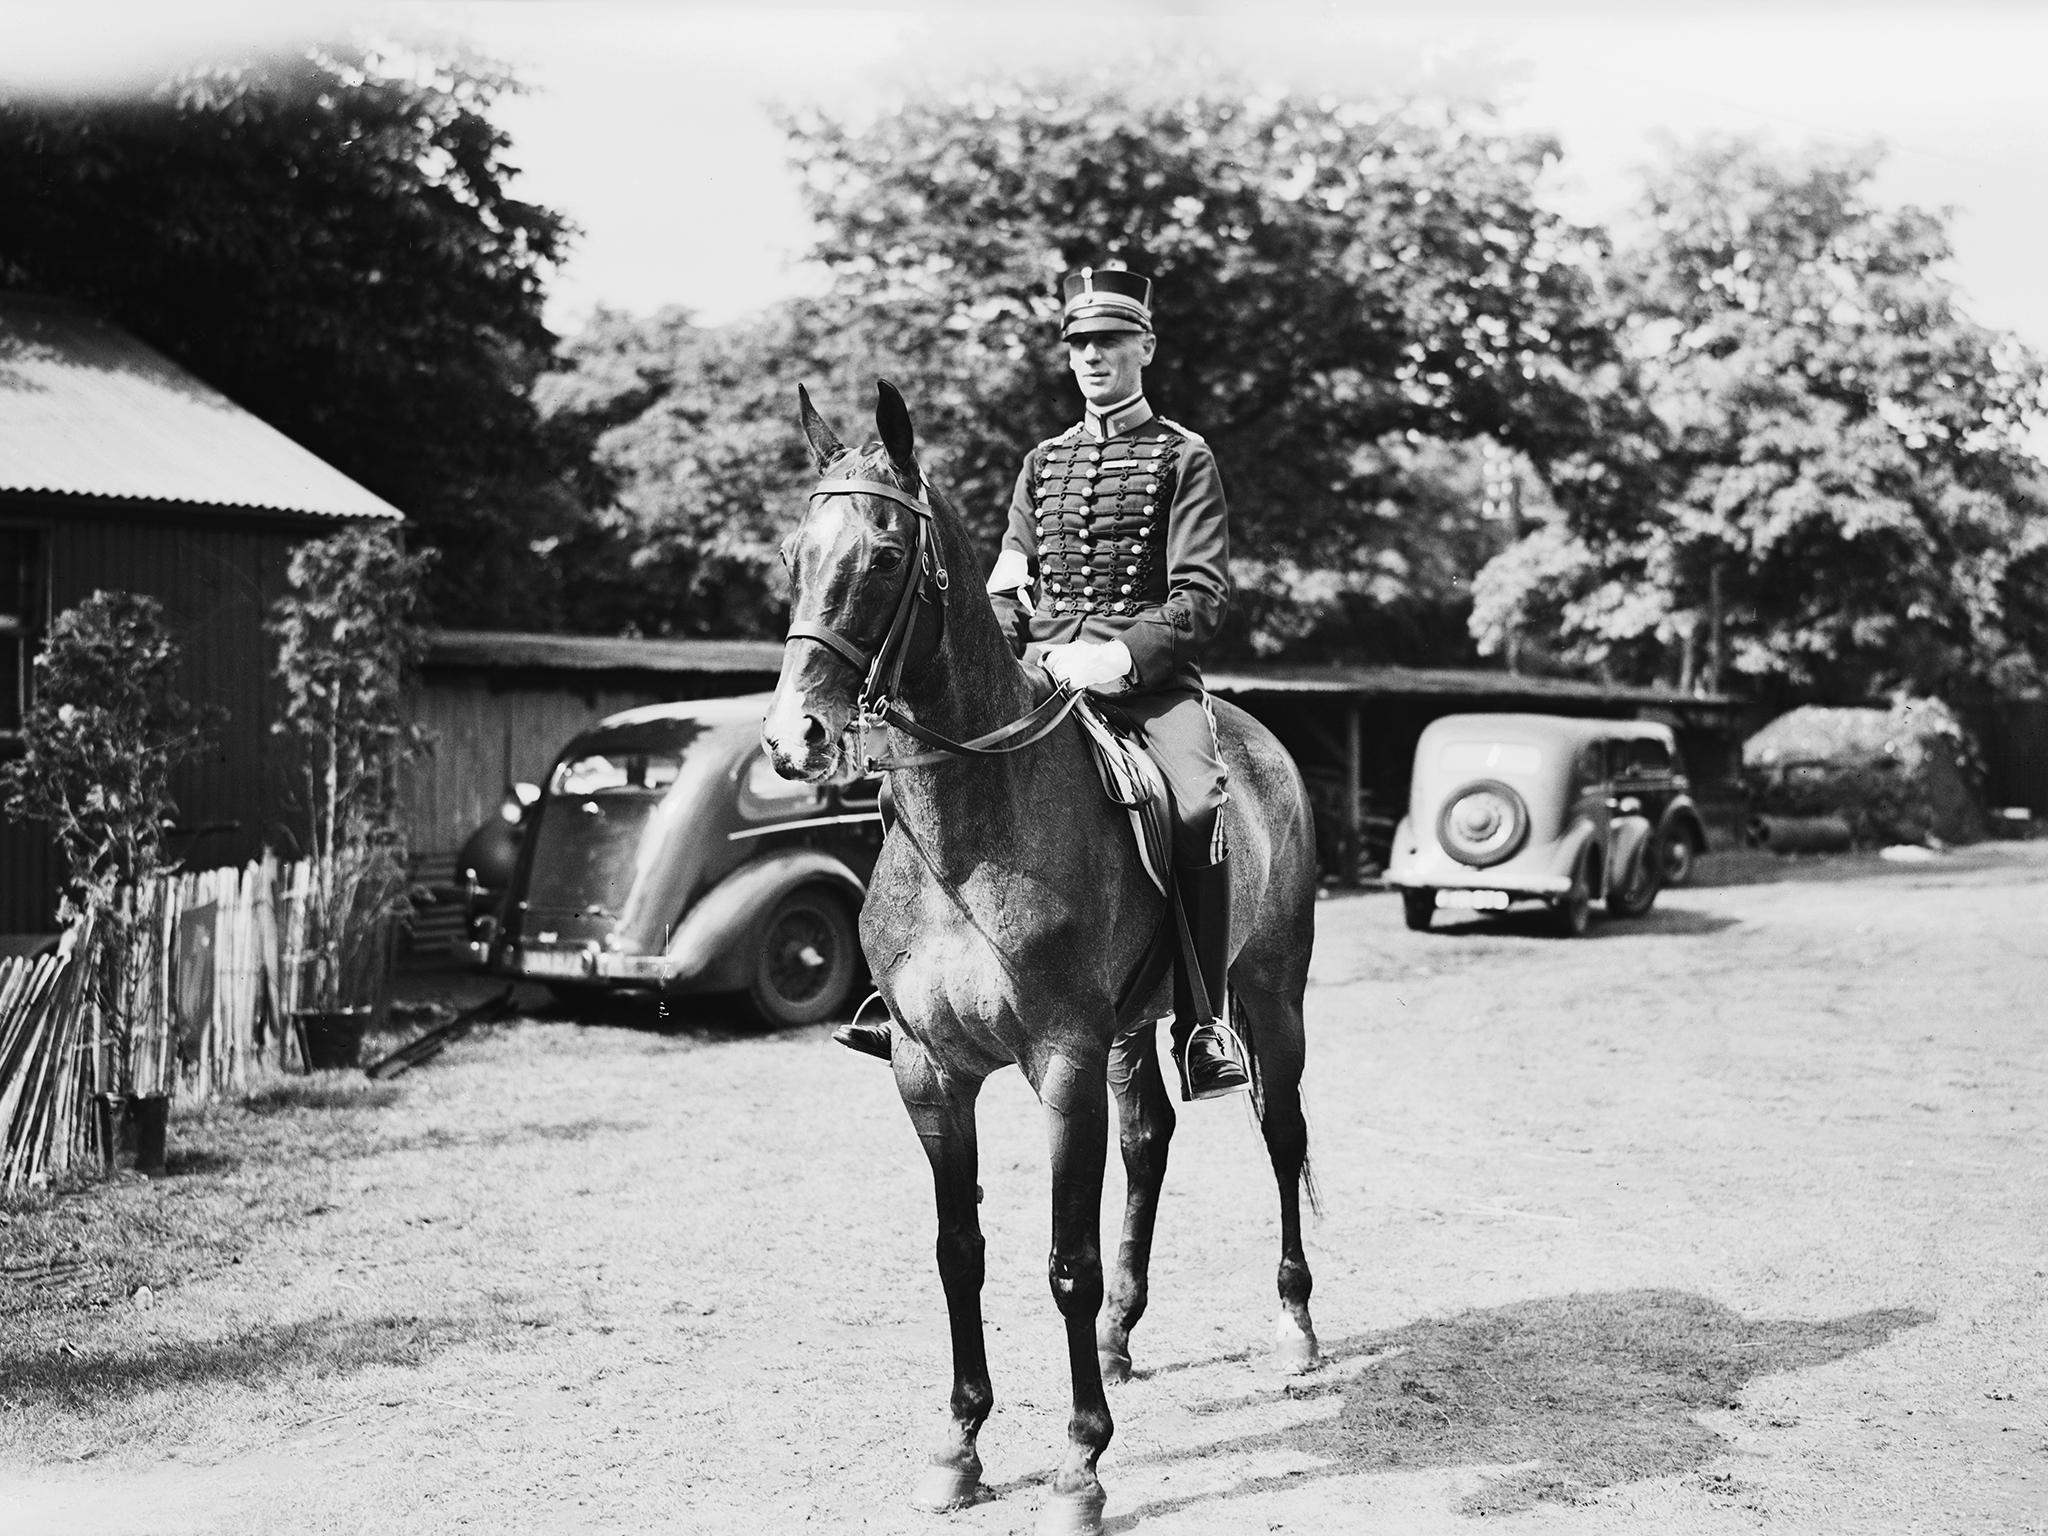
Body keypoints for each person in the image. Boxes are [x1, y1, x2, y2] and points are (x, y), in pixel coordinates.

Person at [834, 263, 1250, 1101]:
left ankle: (1202, 1023)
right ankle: (898, 988)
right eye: (1079, 344)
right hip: (1043, 680)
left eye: (1109, 341)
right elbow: (1007, 589)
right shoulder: (1042, 463)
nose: (1092, 357)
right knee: (905, 786)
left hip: (1144, 684)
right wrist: (1007, 650)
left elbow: (1201, 597)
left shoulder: (1183, 457)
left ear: (1145, 347)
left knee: (1198, 801)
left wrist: (1118, 656)